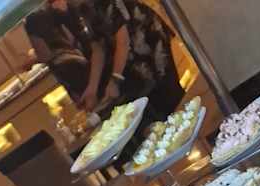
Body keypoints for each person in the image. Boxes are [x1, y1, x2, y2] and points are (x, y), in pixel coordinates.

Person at [26, 0, 185, 121]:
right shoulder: (82, 8)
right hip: (131, 50)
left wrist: (115, 80)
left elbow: (123, 40)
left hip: (147, 38)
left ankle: (187, 122)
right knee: (153, 99)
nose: (56, 6)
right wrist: (92, 89)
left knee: (168, 93)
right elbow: (98, 48)